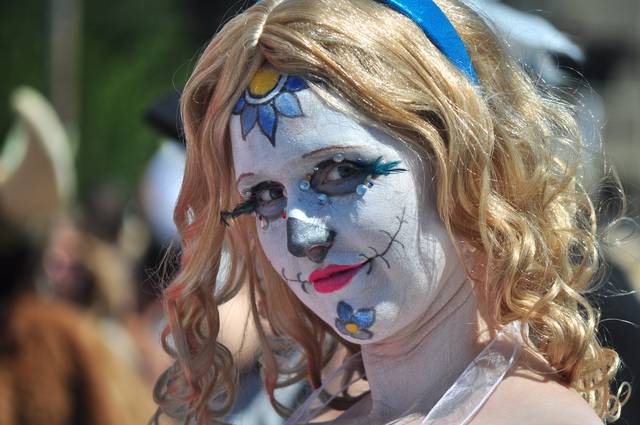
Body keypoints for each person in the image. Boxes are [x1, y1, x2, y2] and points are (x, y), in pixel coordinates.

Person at [153, 0, 628, 423]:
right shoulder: (332, 407)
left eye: (337, 171)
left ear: (461, 160)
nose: (302, 237)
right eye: (265, 197)